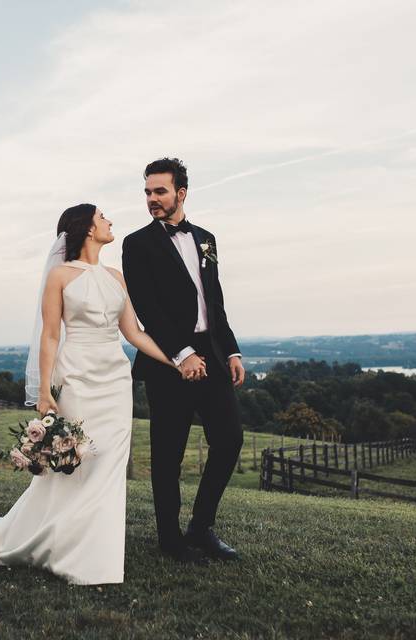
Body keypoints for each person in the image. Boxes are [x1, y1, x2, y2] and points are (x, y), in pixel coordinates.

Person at [0, 203, 175, 585]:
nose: (109, 221)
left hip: (115, 382)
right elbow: (50, 335)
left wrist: (176, 361)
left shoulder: (116, 277)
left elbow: (134, 334)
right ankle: (62, 546)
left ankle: (96, 554)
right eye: (102, 216)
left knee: (108, 466)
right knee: (78, 465)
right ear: (88, 229)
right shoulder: (59, 276)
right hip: (78, 378)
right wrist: (44, 391)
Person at [122, 157, 246, 563]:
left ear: (181, 193)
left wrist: (230, 349)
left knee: (229, 440)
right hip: (166, 362)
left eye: (159, 191)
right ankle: (170, 538)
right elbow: (148, 309)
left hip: (212, 357)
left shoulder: (206, 238)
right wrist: (183, 354)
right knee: (168, 453)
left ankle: (201, 526)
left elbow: (215, 302)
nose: (152, 199)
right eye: (147, 192)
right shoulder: (136, 244)